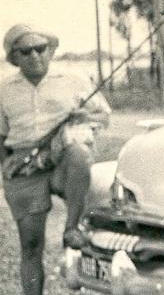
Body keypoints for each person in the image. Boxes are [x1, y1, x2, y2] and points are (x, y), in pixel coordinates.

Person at [0, 24, 111, 295]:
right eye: (26, 52)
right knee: (30, 245)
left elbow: (104, 115)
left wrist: (81, 118)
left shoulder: (73, 79)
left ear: (50, 51)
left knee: (80, 153)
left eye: (41, 49)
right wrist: (6, 170)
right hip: (25, 167)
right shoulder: (4, 89)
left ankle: (72, 227)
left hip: (63, 164)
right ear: (15, 57)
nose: (35, 56)